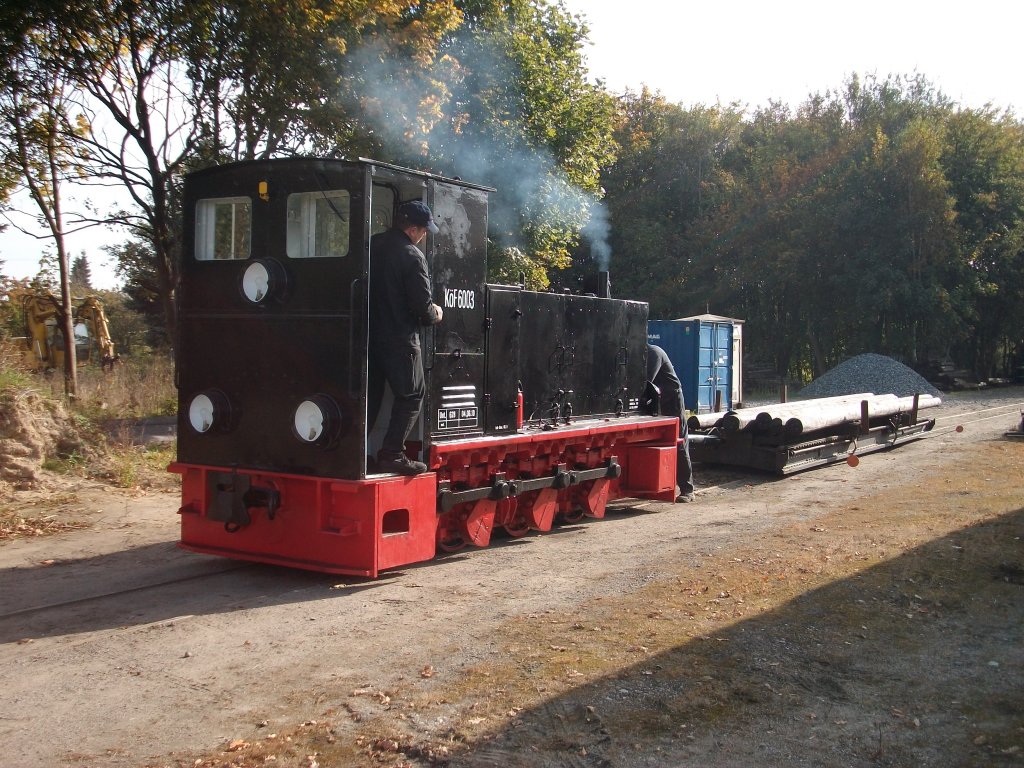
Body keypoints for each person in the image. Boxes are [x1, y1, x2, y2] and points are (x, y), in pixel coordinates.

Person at [368, 200, 444, 475]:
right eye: (423, 230)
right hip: (399, 339)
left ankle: (357, 452)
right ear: (412, 229)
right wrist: (436, 313)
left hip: (366, 337)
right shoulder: (412, 255)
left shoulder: (372, 245)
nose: (424, 235)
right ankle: (392, 454)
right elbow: (422, 309)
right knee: (412, 394)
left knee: (369, 395)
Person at [646, 344, 696, 502]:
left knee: (679, 442)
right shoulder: (643, 355)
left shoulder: (653, 353)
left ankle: (688, 489)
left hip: (672, 400)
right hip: (657, 401)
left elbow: (647, 381)